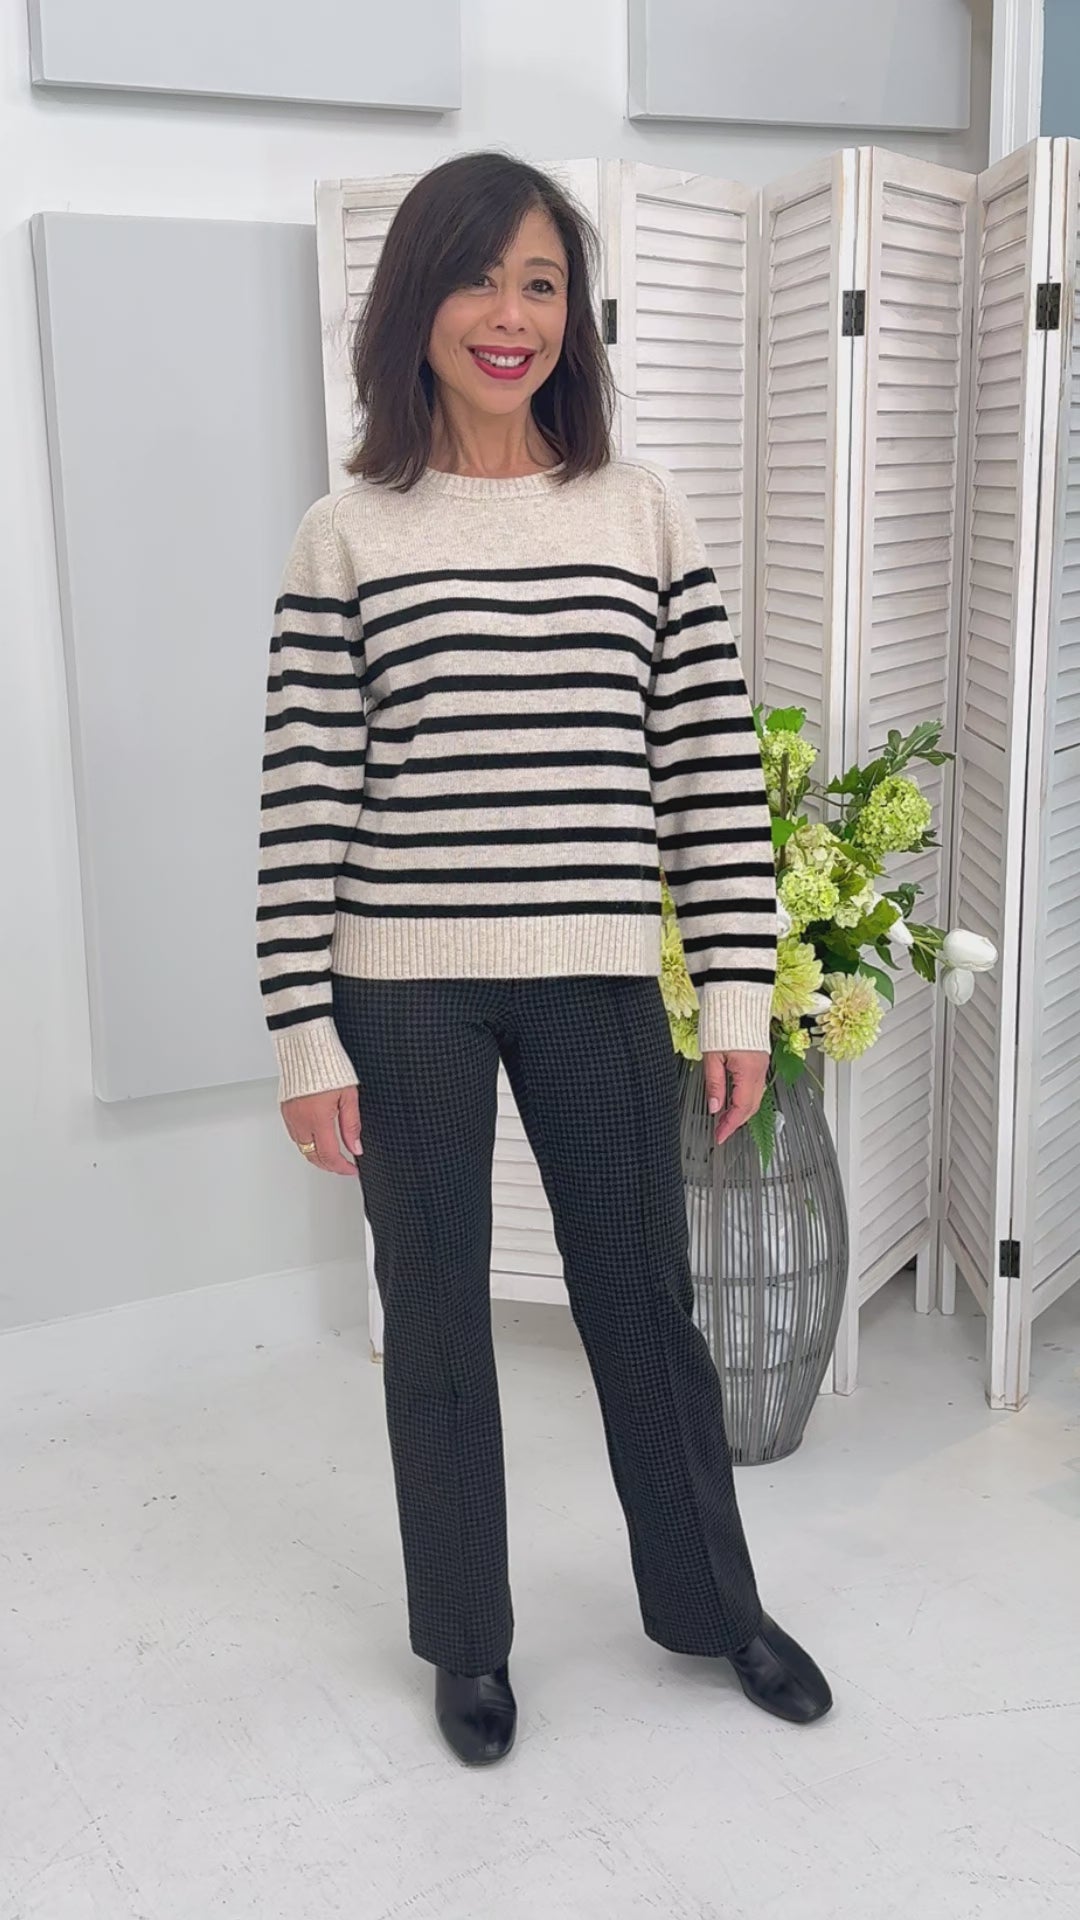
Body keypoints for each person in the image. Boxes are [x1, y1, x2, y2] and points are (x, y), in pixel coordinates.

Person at [256, 151, 832, 1765]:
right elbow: (305, 797)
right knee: (437, 1317)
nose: (509, 315)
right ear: (412, 304)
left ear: (573, 315)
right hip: (401, 988)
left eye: (542, 283)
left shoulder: (639, 513)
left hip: (595, 977)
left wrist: (737, 991)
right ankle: (468, 1642)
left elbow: (708, 770)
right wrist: (303, 1028)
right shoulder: (347, 533)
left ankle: (713, 1606)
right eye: (476, 276)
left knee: (641, 1300)